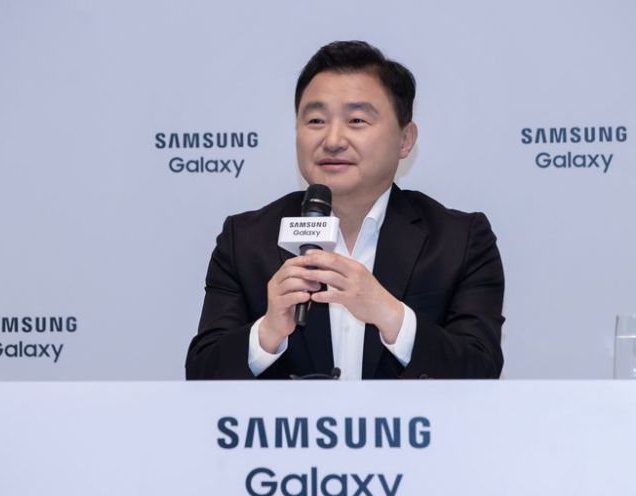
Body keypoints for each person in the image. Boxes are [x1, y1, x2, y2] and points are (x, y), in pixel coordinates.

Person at [185, 41, 504, 380]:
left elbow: (481, 371)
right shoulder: (246, 240)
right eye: (316, 120)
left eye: (356, 120)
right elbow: (202, 376)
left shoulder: (459, 241)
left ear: (405, 139)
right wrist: (267, 332)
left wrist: (390, 315)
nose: (333, 140)